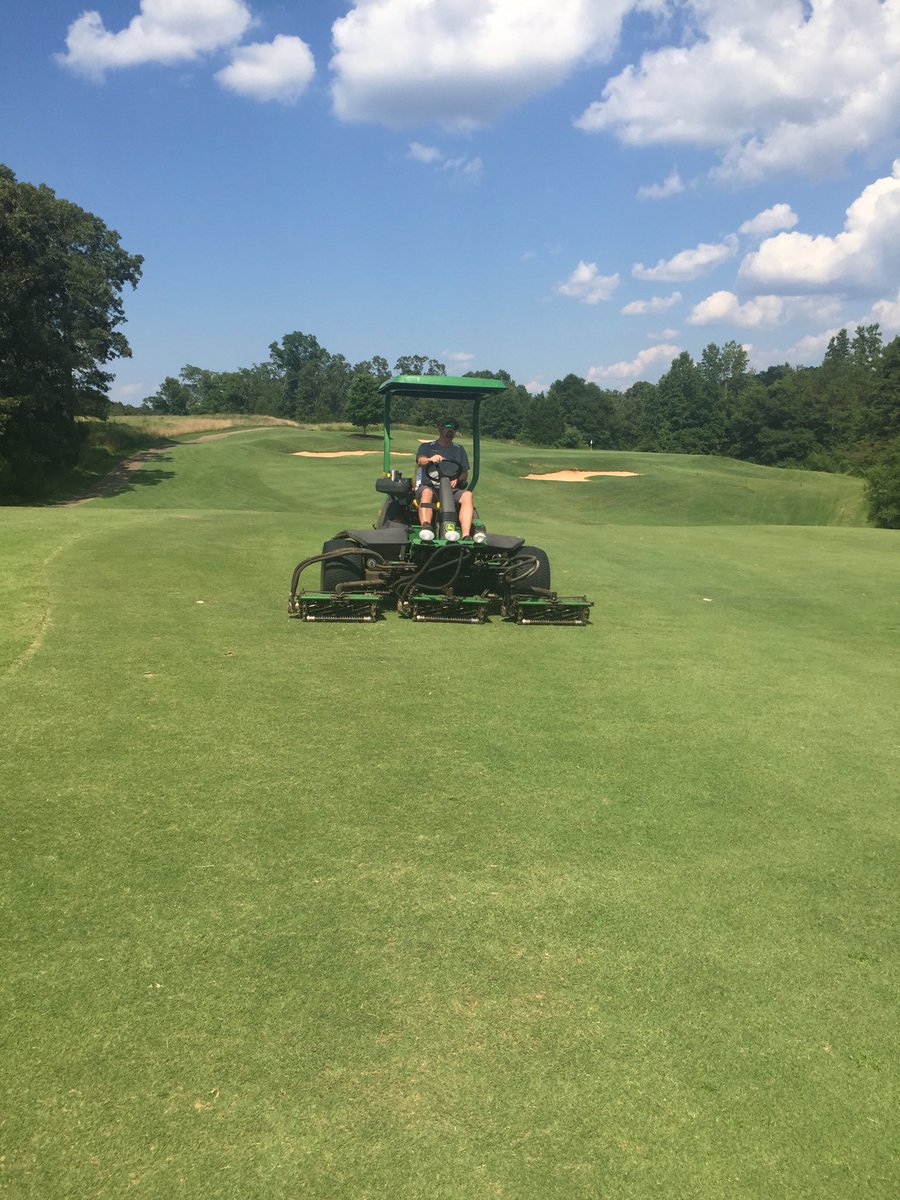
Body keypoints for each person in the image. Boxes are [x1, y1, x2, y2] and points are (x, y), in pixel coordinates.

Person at [415, 417, 475, 541]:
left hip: (451, 489)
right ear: (440, 428)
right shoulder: (427, 447)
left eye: (454, 428)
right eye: (448, 426)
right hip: (430, 487)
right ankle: (426, 527)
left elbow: (464, 473)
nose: (451, 430)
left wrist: (457, 480)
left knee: (467, 495)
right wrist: (430, 459)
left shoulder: (459, 450)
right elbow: (421, 460)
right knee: (427, 493)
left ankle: (466, 535)